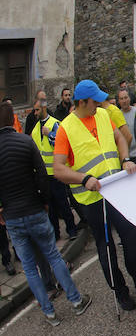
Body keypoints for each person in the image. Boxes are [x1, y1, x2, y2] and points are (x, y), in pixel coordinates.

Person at [53, 80, 136, 311]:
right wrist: (84, 179)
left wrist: (125, 158)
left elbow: (120, 138)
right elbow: (59, 169)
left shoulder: (103, 115)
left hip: (116, 190)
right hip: (92, 200)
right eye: (95, 102)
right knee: (106, 248)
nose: (99, 105)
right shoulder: (66, 128)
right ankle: (120, 292)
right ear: (82, 102)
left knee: (131, 238)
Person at [0, 101, 92, 325]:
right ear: (13, 119)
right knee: (53, 255)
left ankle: (49, 313)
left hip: (12, 215)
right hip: (34, 209)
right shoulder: (26, 141)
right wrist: (44, 202)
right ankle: (76, 301)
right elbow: (41, 174)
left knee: (30, 268)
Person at [29, 94, 78, 241]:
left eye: (37, 110)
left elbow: (62, 145)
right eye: (34, 111)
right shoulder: (35, 129)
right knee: (51, 208)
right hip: (44, 176)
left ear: (44, 108)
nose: (35, 113)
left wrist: (50, 134)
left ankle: (72, 230)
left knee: (63, 203)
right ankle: (55, 234)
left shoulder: (55, 123)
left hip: (57, 173)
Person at [117, 88, 136, 164]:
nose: (124, 101)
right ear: (118, 101)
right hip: (126, 157)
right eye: (121, 98)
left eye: (126, 97)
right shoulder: (116, 116)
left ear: (130, 98)